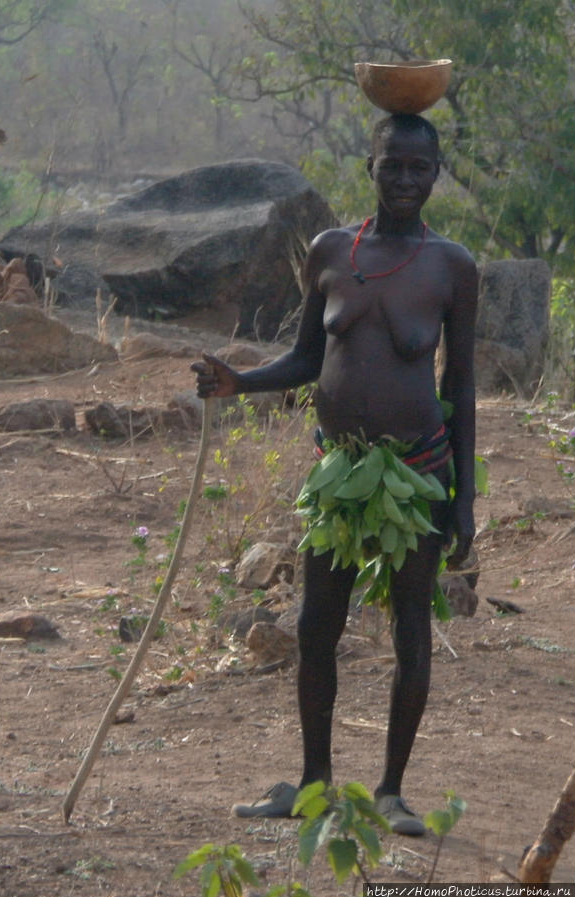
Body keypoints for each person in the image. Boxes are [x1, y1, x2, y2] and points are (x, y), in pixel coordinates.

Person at [192, 113, 477, 836]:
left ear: (436, 174)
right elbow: (305, 360)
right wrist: (239, 383)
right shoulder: (329, 252)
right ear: (370, 166)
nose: (407, 181)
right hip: (340, 473)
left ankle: (390, 792)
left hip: (418, 471)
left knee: (411, 627)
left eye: (420, 168)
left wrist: (464, 497)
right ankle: (314, 782)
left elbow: (462, 387)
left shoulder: (452, 267)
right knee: (317, 625)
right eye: (393, 166)